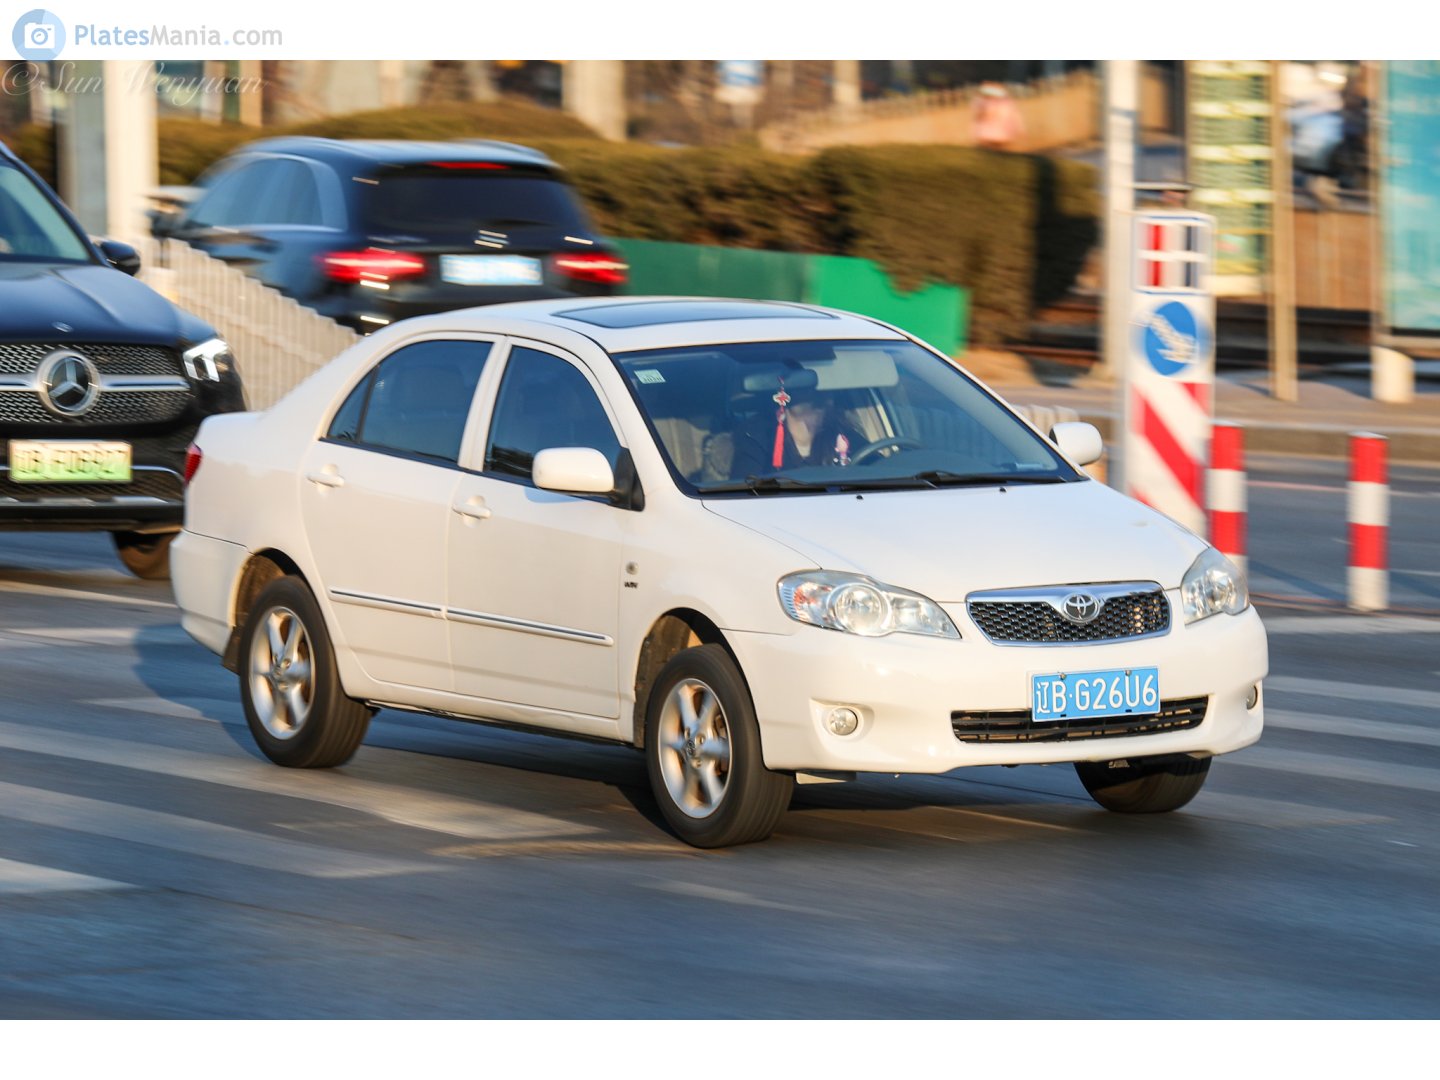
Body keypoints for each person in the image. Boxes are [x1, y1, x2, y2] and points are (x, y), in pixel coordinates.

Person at [727, 384, 865, 478]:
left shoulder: (842, 434)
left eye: (823, 386)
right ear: (783, 393)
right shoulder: (757, 436)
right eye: (804, 385)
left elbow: (878, 466)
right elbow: (745, 492)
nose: (817, 391)